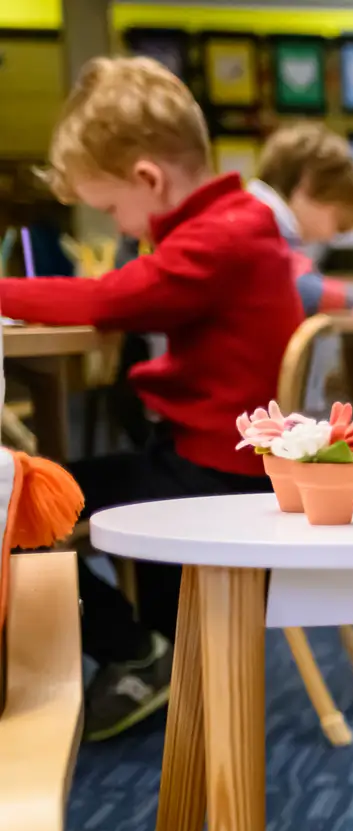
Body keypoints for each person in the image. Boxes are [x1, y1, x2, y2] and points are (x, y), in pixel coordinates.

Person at [0, 56, 301, 740]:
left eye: (109, 208)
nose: (117, 224)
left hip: (211, 476)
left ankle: (135, 652)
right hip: (211, 458)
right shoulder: (231, 222)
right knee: (35, 499)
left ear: (148, 178)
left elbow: (110, 300)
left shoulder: (219, 236)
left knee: (15, 513)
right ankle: (146, 650)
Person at [247, 124, 353, 314]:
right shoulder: (258, 220)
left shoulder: (257, 215)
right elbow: (292, 285)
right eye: (338, 221)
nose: (331, 236)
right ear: (309, 183)